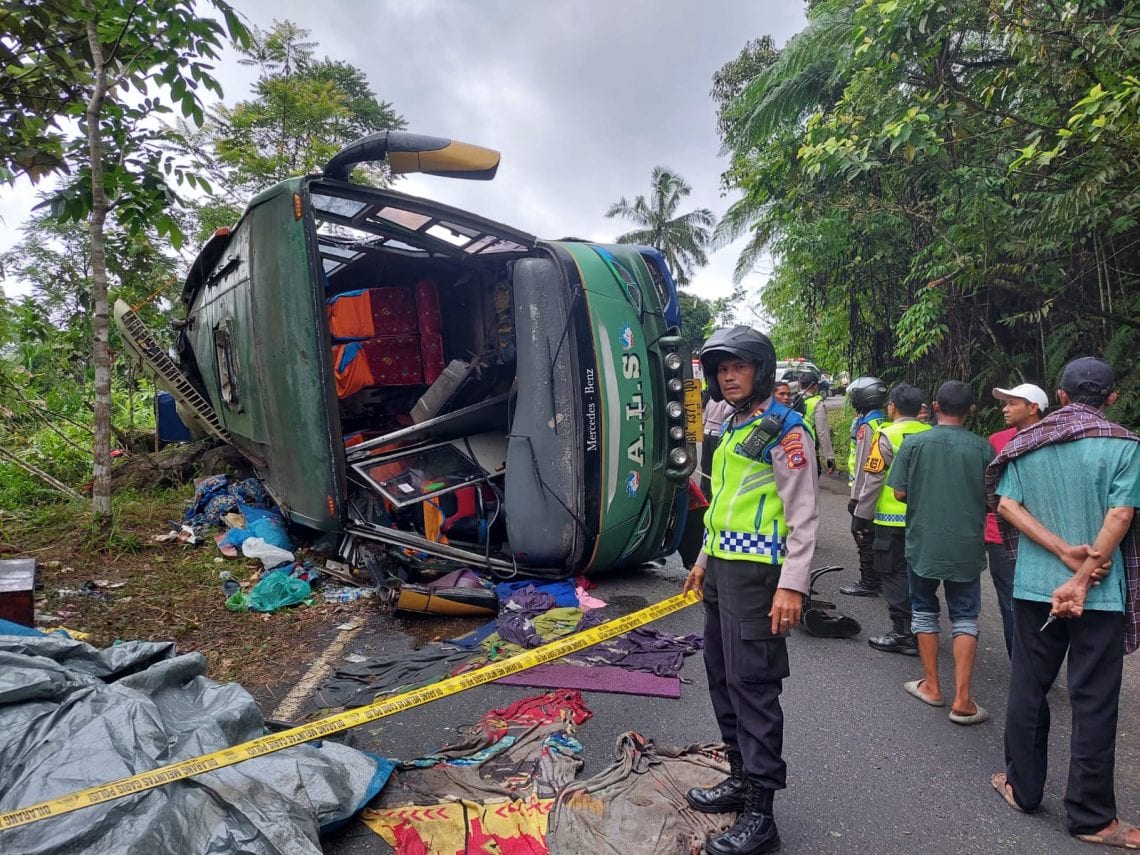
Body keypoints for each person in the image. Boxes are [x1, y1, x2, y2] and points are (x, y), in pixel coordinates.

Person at [988, 357, 1140, 849]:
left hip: (1033, 587)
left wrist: (1056, 551)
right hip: (1101, 592)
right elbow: (1120, 514)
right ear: (1112, 399)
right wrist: (1080, 577)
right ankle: (1093, 818)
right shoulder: (1125, 445)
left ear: (1061, 397)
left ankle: (1022, 787)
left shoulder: (1027, 444)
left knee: (1029, 686)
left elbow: (1006, 504)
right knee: (1094, 701)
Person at [682, 325, 819, 855]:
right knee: (723, 678)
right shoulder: (738, 426)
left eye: (737, 366)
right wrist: (701, 561)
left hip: (760, 576)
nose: (728, 376)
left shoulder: (787, 430)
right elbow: (724, 505)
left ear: (760, 369)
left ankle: (762, 817)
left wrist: (793, 585)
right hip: (722, 570)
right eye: (721, 369)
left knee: (754, 687)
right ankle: (740, 777)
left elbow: (804, 514)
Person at [889, 381, 995, 724]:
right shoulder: (983, 449)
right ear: (971, 410)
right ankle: (963, 699)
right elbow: (994, 500)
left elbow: (900, 493)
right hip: (966, 545)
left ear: (934, 406)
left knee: (923, 609)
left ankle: (932, 687)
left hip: (923, 542)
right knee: (965, 615)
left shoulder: (914, 444)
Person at [853, 383, 931, 654]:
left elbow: (873, 480)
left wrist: (860, 515)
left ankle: (902, 632)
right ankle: (923, 628)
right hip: (923, 519)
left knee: (893, 574)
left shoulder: (886, 434)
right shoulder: (931, 433)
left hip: (890, 519)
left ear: (892, 408)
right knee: (919, 573)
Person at [985, 382, 1048, 657]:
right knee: (1010, 602)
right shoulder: (996, 440)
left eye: (1013, 403)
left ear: (1033, 408)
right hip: (999, 534)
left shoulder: (1055, 439)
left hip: (1043, 535)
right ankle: (1021, 664)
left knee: (1043, 602)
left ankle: (1042, 661)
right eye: (1005, 403)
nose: (1005, 408)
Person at [841, 377, 889, 598]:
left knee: (862, 533)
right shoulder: (883, 421)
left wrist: (856, 498)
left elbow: (863, 464)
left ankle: (869, 581)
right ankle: (878, 578)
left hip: (867, 491)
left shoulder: (867, 426)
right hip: (884, 492)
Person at [798, 369, 837, 475]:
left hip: (792, 446)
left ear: (799, 384)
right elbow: (822, 432)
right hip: (809, 448)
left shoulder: (792, 400)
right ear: (815, 386)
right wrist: (829, 457)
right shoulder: (817, 403)